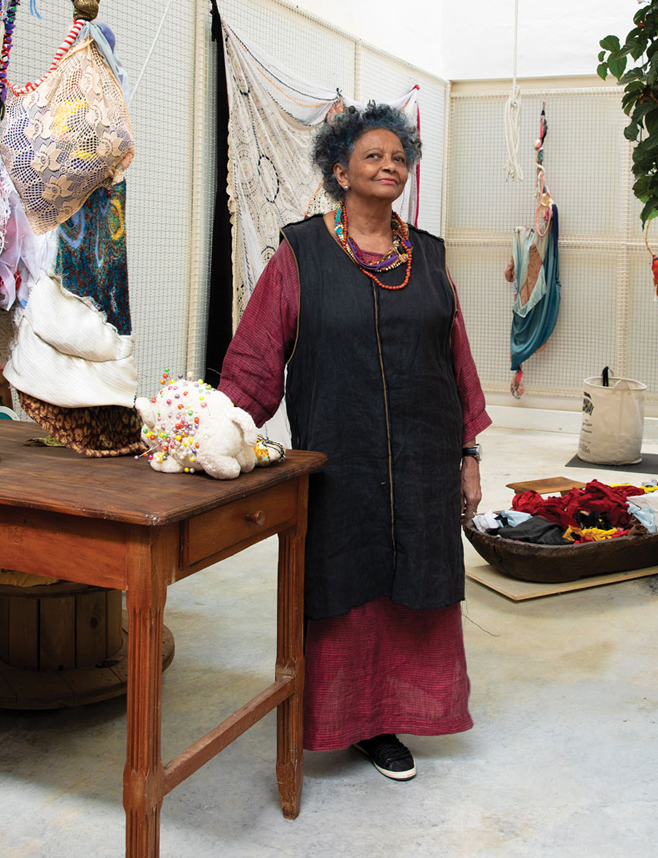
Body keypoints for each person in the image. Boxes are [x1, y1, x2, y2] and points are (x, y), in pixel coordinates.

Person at [218, 102, 490, 781]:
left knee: (414, 590)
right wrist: (216, 431)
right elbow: (255, 360)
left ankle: (390, 722)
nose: (389, 164)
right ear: (339, 170)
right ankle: (347, 718)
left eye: (398, 156)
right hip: (342, 457)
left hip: (426, 462)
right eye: (372, 155)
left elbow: (457, 363)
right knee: (348, 587)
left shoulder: (427, 258)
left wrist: (468, 455)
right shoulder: (302, 253)